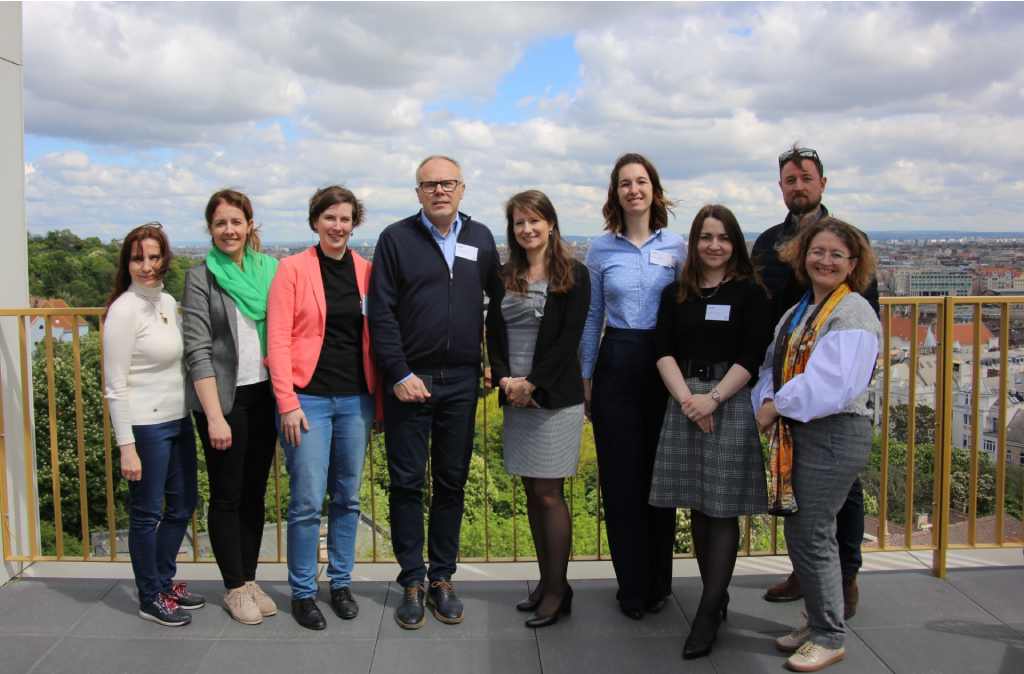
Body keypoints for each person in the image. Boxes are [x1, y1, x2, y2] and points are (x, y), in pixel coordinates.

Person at [369, 155, 502, 629]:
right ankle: (412, 579)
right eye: (430, 185)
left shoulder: (482, 237)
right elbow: (380, 313)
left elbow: (500, 305)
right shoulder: (395, 239)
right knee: (407, 482)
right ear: (418, 193)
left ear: (462, 188)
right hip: (411, 380)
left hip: (462, 381)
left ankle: (442, 577)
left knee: (451, 481)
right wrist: (400, 373)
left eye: (448, 183)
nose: (439, 191)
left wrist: (494, 366)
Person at [752, 146, 879, 619]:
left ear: (822, 184)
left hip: (826, 392)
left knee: (840, 492)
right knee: (799, 488)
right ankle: (807, 571)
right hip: (782, 376)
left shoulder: (848, 240)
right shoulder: (766, 243)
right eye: (790, 179)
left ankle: (843, 576)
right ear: (781, 187)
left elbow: (864, 319)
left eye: (806, 177)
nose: (798, 185)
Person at [649, 205, 772, 658]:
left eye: (722, 237)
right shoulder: (676, 293)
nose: (714, 245)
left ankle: (707, 609)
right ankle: (713, 597)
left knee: (721, 510)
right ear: (693, 243)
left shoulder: (750, 293)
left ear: (734, 242)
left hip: (729, 399)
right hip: (684, 398)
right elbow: (662, 351)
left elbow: (751, 356)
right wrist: (688, 401)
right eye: (705, 237)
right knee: (698, 506)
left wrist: (713, 399)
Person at [266, 186, 380, 630]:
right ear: (315, 221)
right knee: (308, 500)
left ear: (355, 224)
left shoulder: (367, 271)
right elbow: (277, 339)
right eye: (329, 217)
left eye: (346, 219)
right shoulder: (292, 269)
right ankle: (303, 592)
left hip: (356, 399)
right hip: (307, 399)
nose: (337, 226)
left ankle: (341, 583)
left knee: (348, 497)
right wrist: (287, 401)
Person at [581, 153, 684, 619]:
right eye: (625, 183)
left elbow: (688, 312)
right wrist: (585, 375)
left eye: (641, 181)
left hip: (665, 366)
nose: (633, 190)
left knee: (659, 480)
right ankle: (632, 588)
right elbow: (591, 317)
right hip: (617, 363)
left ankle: (660, 581)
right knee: (621, 481)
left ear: (654, 190)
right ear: (615, 193)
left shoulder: (679, 248)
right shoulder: (601, 251)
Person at [485, 190, 590, 628]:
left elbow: (569, 341)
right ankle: (548, 583)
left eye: (534, 221)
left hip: (554, 399)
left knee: (549, 494)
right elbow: (493, 330)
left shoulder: (575, 275)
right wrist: (507, 378)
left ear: (551, 224)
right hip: (516, 395)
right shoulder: (504, 273)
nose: (527, 230)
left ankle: (558, 590)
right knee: (532, 493)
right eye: (519, 223)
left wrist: (533, 383)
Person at [182, 189, 279, 625]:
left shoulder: (269, 271)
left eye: (236, 222)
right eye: (220, 223)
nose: (229, 230)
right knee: (227, 494)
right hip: (223, 400)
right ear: (210, 229)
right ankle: (233, 587)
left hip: (264, 395)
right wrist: (215, 415)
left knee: (254, 494)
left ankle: (249, 577)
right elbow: (198, 350)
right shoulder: (201, 276)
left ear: (249, 225)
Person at [103, 222, 204, 626]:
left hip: (177, 420)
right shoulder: (124, 311)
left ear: (165, 259)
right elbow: (114, 385)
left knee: (182, 504)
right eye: (137, 258)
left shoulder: (165, 302)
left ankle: (164, 580)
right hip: (145, 426)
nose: (146, 265)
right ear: (126, 263)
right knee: (146, 513)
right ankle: (150, 596)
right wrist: (126, 444)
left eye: (153, 256)